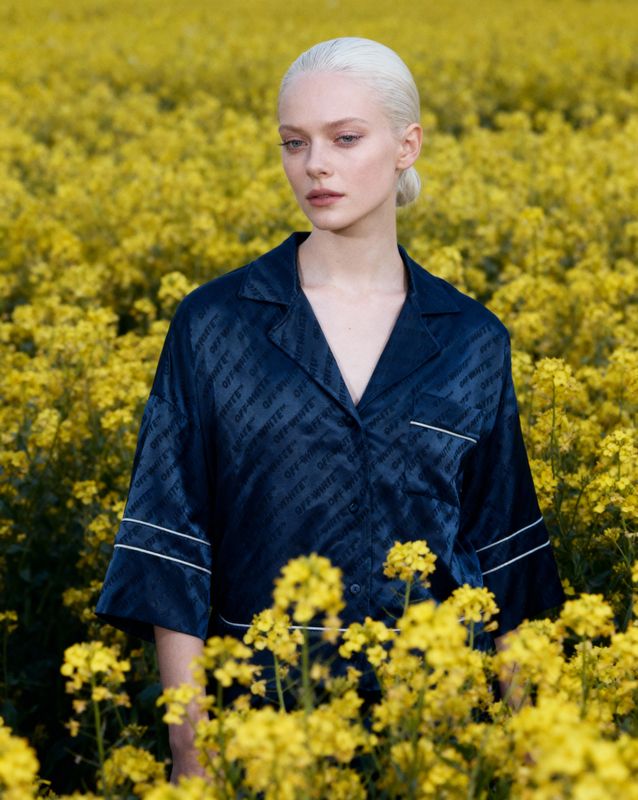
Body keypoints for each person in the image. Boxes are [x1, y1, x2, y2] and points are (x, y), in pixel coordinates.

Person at [95, 36, 565, 780]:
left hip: (434, 728)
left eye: (346, 138)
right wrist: (192, 744)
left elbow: (505, 554)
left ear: (408, 144)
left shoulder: (473, 337)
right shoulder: (215, 324)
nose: (316, 164)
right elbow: (170, 538)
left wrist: (534, 756)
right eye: (294, 142)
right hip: (266, 720)